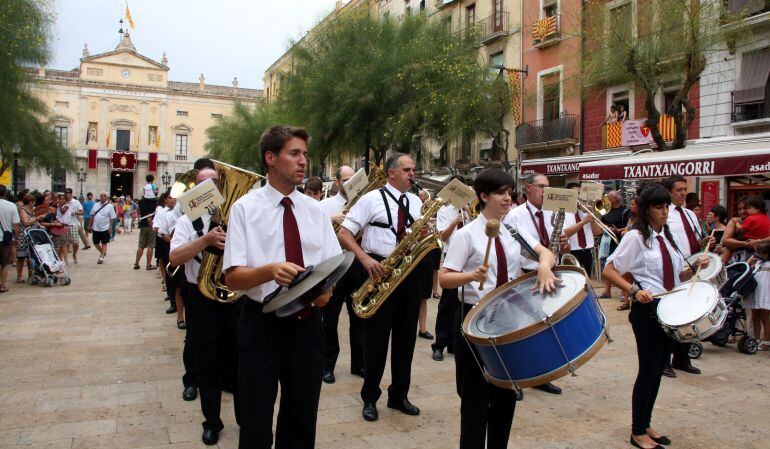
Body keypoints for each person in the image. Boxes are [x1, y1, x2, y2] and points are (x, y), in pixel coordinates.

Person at [223, 125, 341, 448]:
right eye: (294, 153)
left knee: (302, 423)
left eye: (305, 154)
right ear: (271, 158)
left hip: (306, 329)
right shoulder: (245, 209)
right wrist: (269, 271)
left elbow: (332, 269)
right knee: (256, 424)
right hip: (261, 326)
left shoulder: (316, 211)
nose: (304, 161)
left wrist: (324, 295)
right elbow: (232, 277)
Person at [441, 168, 558, 449]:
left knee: (506, 397)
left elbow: (546, 251)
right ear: (484, 196)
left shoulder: (513, 230)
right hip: (475, 319)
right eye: (501, 193)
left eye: (509, 193)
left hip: (509, 320)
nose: (508, 198)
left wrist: (544, 265)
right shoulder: (466, 235)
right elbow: (445, 278)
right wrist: (471, 276)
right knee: (475, 402)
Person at [603, 182, 709, 449]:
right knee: (648, 372)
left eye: (666, 207)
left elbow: (674, 277)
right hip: (647, 312)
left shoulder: (665, 236)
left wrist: (695, 267)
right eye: (659, 207)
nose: (664, 212)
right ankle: (637, 431)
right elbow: (610, 270)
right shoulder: (636, 237)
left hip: (669, 310)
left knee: (658, 370)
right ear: (647, 209)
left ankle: (646, 423)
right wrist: (633, 290)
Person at [338, 152, 428, 421]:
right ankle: (370, 397)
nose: (412, 174)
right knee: (376, 340)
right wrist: (364, 259)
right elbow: (344, 233)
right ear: (391, 173)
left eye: (413, 169)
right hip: (378, 270)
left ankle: (399, 395)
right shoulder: (370, 199)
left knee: (406, 339)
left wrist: (421, 235)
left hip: (408, 272)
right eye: (406, 170)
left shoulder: (415, 202)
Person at [171, 168, 240, 446]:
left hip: (234, 298)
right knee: (207, 364)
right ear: (194, 188)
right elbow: (175, 257)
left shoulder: (238, 214)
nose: (209, 187)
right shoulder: (186, 220)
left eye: (215, 182)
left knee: (240, 363)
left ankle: (246, 419)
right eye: (203, 183)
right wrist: (205, 240)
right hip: (201, 299)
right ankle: (212, 422)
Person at [502, 172, 566, 396]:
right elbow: (512, 249)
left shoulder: (552, 213)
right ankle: (515, 378)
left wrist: (562, 243)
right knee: (520, 329)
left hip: (549, 273)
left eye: (548, 187)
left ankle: (541, 374)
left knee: (545, 327)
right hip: (525, 275)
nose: (545, 191)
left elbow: (554, 243)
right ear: (528, 188)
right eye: (541, 186)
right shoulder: (514, 215)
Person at [319, 165, 366, 384]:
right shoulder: (325, 206)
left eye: (353, 179)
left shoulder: (364, 203)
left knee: (359, 316)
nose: (350, 184)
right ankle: (327, 365)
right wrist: (332, 220)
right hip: (335, 264)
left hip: (356, 264)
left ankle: (359, 364)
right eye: (346, 180)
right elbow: (315, 234)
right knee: (330, 319)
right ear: (337, 182)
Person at [663, 175, 711, 376]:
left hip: (694, 268)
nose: (683, 193)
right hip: (676, 270)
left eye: (685, 189)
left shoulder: (690, 214)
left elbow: (693, 240)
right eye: (679, 190)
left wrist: (705, 242)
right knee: (670, 316)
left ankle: (682, 358)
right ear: (669, 192)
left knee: (689, 314)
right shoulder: (665, 214)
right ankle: (664, 360)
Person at [432, 175, 468, 362]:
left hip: (469, 259)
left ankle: (456, 343)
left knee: (463, 303)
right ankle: (440, 344)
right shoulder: (444, 210)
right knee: (448, 303)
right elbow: (442, 237)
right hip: (452, 258)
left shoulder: (470, 209)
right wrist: (455, 221)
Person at [563, 182, 602, 277]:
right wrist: (583, 222)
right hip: (572, 252)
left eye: (579, 194)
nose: (578, 197)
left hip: (587, 251)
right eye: (575, 194)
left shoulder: (586, 211)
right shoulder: (562, 212)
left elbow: (598, 232)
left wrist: (591, 215)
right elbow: (564, 233)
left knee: (587, 280)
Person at [598, 190, 628, 298]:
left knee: (622, 265)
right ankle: (607, 291)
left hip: (620, 241)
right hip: (608, 242)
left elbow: (629, 226)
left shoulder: (625, 211)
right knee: (607, 264)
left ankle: (623, 291)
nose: (606, 199)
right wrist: (606, 228)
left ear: (615, 199)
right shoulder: (606, 211)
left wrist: (618, 230)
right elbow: (601, 224)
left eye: (609, 197)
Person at [746, 241, 770, 351]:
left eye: (758, 252)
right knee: (755, 316)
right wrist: (751, 260)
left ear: (766, 254)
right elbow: (746, 267)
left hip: (766, 294)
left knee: (765, 318)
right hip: (756, 293)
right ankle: (755, 339)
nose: (755, 255)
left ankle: (766, 341)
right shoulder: (758, 263)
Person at [0, 186, 20, 293]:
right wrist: (16, 238)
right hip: (5, 239)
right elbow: (16, 225)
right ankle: (2, 285)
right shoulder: (11, 206)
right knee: (4, 264)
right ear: (5, 193)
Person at [88, 191, 117, 264]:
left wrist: (110, 227)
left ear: (106, 197)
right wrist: (89, 225)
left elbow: (112, 218)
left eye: (104, 195)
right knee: (95, 243)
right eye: (101, 195)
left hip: (105, 227)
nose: (102, 197)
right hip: (96, 227)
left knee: (104, 243)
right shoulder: (95, 205)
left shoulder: (110, 206)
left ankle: (101, 257)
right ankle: (102, 252)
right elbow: (92, 215)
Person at [16, 193, 38, 283]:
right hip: (23, 236)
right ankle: (19, 276)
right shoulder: (22, 210)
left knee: (31, 257)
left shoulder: (32, 210)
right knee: (21, 257)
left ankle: (30, 275)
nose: (34, 204)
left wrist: (39, 224)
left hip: (31, 235)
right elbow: (25, 222)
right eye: (33, 202)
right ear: (30, 202)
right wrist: (37, 219)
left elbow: (33, 220)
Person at [58, 188, 83, 264]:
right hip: (64, 224)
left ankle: (74, 254)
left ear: (71, 194)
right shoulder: (62, 202)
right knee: (64, 243)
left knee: (75, 242)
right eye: (65, 193)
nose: (67, 194)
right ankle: (64, 260)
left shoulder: (76, 202)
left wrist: (76, 213)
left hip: (73, 223)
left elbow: (82, 211)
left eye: (68, 193)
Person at [134, 195, 158, 270]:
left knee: (141, 246)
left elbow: (138, 211)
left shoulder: (141, 201)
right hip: (152, 225)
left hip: (143, 225)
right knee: (150, 246)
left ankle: (136, 263)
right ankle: (148, 265)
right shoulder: (156, 201)